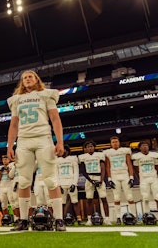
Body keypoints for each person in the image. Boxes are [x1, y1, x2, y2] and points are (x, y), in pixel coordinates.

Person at [6, 70, 66, 231]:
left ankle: (59, 219)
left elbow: (55, 118)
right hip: (24, 140)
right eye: (24, 77)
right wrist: (9, 146)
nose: (27, 79)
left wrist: (60, 141)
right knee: (24, 181)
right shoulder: (16, 100)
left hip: (43, 138)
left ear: (37, 79)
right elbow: (13, 125)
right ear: (22, 82)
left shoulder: (46, 94)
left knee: (51, 180)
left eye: (30, 76)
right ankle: (23, 220)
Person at [104, 136, 135, 225]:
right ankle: (118, 218)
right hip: (114, 175)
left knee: (130, 197)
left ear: (119, 142)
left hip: (125, 174)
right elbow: (108, 166)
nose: (115, 143)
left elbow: (129, 164)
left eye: (116, 141)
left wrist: (131, 177)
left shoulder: (125, 151)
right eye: (113, 142)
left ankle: (133, 217)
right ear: (110, 143)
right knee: (116, 197)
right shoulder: (108, 152)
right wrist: (109, 179)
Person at [78, 140, 111, 226]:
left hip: (98, 176)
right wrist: (90, 180)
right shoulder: (83, 157)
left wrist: (101, 179)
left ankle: (107, 219)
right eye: (88, 147)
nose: (90, 148)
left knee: (103, 198)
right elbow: (83, 170)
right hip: (89, 178)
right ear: (86, 149)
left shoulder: (99, 155)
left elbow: (103, 168)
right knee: (89, 199)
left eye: (91, 146)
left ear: (94, 147)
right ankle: (89, 219)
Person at [57, 144, 82, 225]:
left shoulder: (73, 159)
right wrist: (58, 185)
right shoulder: (57, 160)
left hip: (71, 182)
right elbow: (56, 173)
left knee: (75, 202)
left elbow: (76, 172)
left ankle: (79, 219)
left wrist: (74, 183)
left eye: (64, 150)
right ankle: (61, 218)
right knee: (62, 203)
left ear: (67, 151)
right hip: (62, 182)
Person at [131, 141, 158, 213]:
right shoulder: (136, 157)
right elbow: (136, 169)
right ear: (140, 148)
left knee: (157, 196)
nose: (145, 147)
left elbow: (156, 166)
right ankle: (147, 214)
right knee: (145, 197)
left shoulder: (154, 155)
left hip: (153, 178)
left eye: (146, 145)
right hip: (143, 178)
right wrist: (140, 178)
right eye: (143, 146)